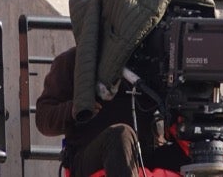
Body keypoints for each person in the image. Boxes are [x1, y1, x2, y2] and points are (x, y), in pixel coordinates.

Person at [34, 42, 193, 177]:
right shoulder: (76, 61)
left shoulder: (154, 62)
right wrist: (75, 108)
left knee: (204, 149)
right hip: (91, 157)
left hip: (146, 153)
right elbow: (43, 118)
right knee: (120, 135)